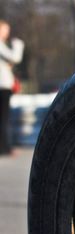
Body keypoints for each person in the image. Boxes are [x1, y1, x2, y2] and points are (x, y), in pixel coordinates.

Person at [0, 20, 24, 155]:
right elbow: (15, 57)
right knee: (4, 118)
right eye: (5, 29)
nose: (7, 33)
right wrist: (18, 45)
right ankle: (5, 148)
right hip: (2, 86)